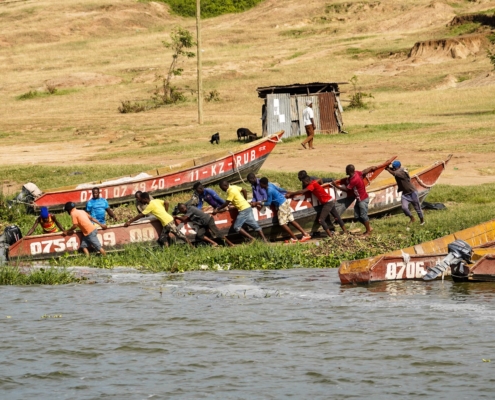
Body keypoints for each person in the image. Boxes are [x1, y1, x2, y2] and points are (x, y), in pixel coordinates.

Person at [253, 177, 311, 243]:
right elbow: (279, 189)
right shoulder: (270, 184)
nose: (260, 186)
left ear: (264, 184)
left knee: (282, 223)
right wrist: (287, 191)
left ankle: (294, 238)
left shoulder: (269, 190)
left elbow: (268, 203)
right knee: (291, 219)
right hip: (285, 202)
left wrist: (259, 203)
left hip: (281, 205)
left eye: (260, 184)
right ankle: (305, 234)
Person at [124, 192, 193, 248]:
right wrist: (165, 211)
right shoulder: (156, 201)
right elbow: (166, 202)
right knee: (162, 238)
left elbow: (140, 215)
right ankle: (167, 250)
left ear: (145, 199)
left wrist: (130, 222)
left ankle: (193, 247)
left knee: (180, 235)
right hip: (166, 223)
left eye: (141, 200)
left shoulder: (150, 206)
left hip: (168, 222)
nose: (141, 201)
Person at [332, 164, 377, 236]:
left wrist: (336, 186)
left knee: (363, 216)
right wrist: (371, 167)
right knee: (357, 216)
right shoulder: (356, 173)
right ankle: (369, 227)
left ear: (349, 171)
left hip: (362, 199)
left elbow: (347, 189)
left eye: (346, 170)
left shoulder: (354, 180)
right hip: (359, 199)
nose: (345, 171)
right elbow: (364, 171)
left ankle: (368, 231)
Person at [386, 160, 425, 225]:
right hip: (405, 194)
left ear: (398, 167)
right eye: (394, 168)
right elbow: (393, 170)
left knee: (417, 208)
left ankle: (422, 221)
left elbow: (394, 173)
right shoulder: (399, 169)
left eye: (395, 168)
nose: (394, 169)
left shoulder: (402, 172)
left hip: (412, 193)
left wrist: (387, 169)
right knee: (404, 208)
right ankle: (412, 218)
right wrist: (387, 167)